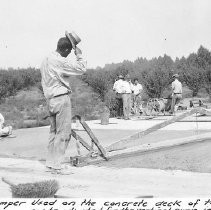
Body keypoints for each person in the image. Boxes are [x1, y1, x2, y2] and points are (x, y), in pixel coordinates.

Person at [40, 32, 87, 174]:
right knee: (63, 133)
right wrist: (79, 55)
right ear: (66, 50)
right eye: (69, 52)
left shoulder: (46, 59)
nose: (69, 54)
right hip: (61, 98)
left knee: (53, 132)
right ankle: (57, 165)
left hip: (50, 99)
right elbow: (81, 69)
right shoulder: (59, 61)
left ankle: (50, 163)